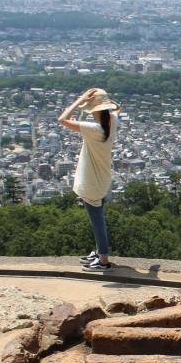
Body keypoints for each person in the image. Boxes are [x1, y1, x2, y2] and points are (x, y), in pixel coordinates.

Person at [58, 87, 121, 271]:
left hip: (92, 181)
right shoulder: (112, 122)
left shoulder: (95, 128)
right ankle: (99, 252)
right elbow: (117, 108)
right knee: (97, 218)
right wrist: (101, 100)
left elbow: (62, 120)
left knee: (97, 221)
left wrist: (79, 101)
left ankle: (103, 260)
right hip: (102, 178)